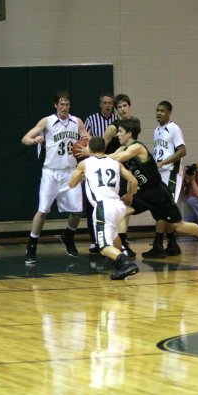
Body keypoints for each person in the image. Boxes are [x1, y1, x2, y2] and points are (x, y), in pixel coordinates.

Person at [109, 118, 198, 258]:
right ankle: (121, 248)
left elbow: (117, 159)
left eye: (120, 132)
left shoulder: (136, 147)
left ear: (129, 134)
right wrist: (90, 155)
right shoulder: (123, 148)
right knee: (120, 209)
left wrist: (94, 158)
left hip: (159, 193)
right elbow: (109, 156)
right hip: (145, 193)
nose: (117, 135)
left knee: (179, 225)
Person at [21, 90, 89, 265]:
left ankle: (68, 236)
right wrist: (34, 140)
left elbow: (86, 138)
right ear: (55, 105)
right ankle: (32, 246)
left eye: (67, 104)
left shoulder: (77, 122)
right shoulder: (48, 121)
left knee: (77, 211)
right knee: (43, 211)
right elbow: (25, 139)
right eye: (61, 104)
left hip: (70, 171)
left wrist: (86, 139)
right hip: (51, 172)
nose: (64, 107)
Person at [68, 136, 139, 280]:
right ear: (104, 149)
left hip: (103, 207)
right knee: (113, 236)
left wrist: (82, 174)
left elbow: (71, 184)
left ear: (90, 149)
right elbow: (133, 181)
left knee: (103, 246)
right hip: (118, 206)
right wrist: (130, 195)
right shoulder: (115, 163)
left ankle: (125, 263)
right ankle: (121, 261)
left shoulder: (85, 164)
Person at [102, 94, 140, 258]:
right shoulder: (113, 128)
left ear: (129, 106)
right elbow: (100, 147)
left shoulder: (133, 124)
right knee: (116, 208)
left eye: (125, 105)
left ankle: (122, 241)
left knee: (125, 205)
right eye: (120, 107)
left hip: (127, 168)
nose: (123, 109)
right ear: (116, 110)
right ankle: (112, 242)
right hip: (113, 169)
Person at [149, 100, 186, 258]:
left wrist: (164, 162)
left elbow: (182, 151)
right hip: (160, 173)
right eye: (157, 110)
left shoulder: (174, 128)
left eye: (162, 111)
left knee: (163, 208)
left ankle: (158, 244)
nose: (159, 113)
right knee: (164, 209)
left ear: (169, 112)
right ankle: (172, 244)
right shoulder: (156, 130)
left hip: (171, 172)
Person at [83, 93, 118, 254]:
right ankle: (94, 239)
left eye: (110, 103)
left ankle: (112, 239)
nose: (107, 105)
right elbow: (83, 140)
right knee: (92, 203)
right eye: (105, 103)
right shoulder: (90, 119)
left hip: (111, 163)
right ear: (100, 104)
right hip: (94, 162)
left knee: (109, 201)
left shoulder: (116, 121)